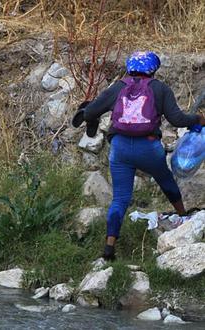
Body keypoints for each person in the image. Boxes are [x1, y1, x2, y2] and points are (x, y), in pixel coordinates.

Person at [75, 51, 205, 261]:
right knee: (165, 178)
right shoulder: (160, 89)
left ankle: (109, 248)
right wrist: (197, 119)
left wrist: (89, 115)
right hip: (149, 148)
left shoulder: (117, 88)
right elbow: (177, 119)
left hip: (120, 149)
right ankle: (182, 215)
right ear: (154, 69)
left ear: (129, 68)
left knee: (120, 199)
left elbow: (90, 113)